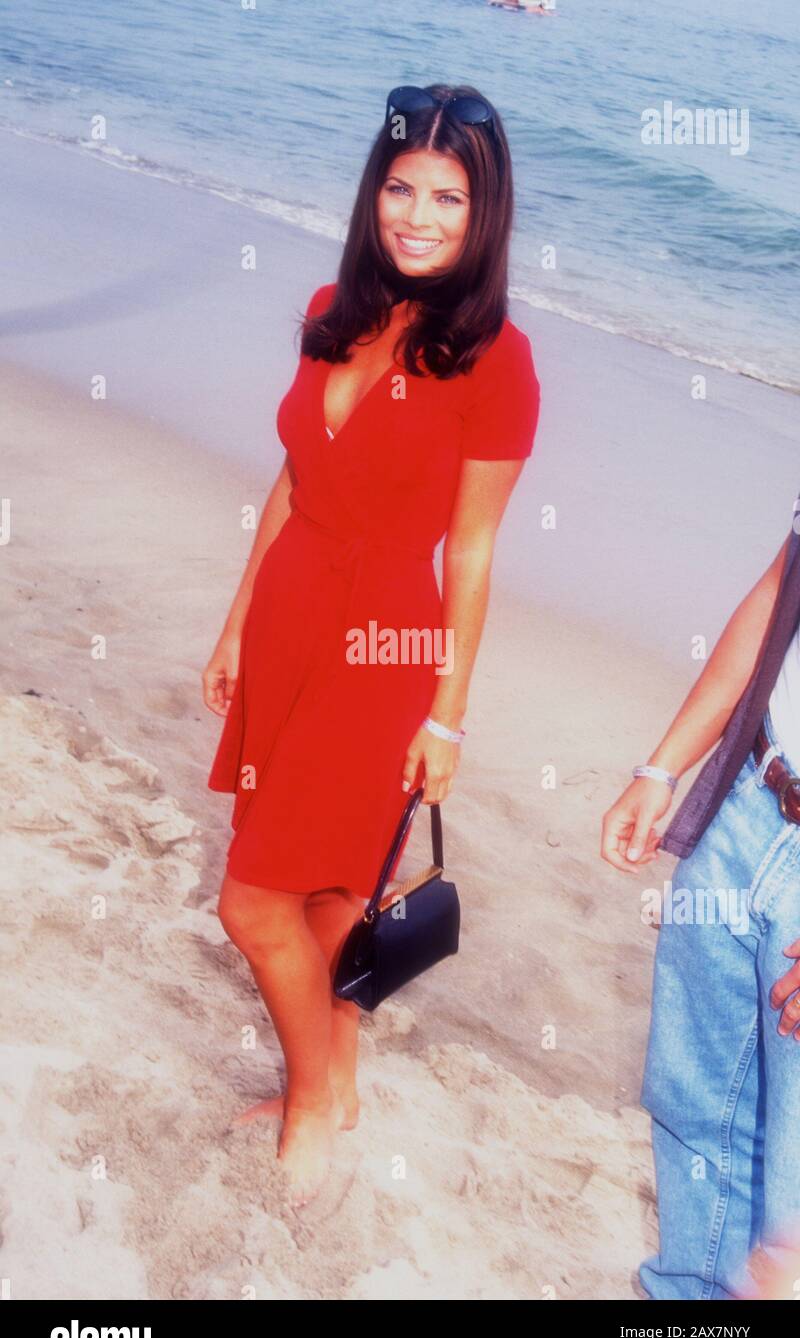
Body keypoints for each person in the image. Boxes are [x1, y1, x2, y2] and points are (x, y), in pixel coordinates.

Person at [203, 83, 541, 1206]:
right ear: (373, 190)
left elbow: (476, 554)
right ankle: (335, 1080)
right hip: (293, 612)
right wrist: (238, 620)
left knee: (253, 905)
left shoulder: (494, 360)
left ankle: (307, 1100)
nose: (419, 214)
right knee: (318, 889)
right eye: (401, 187)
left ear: (482, 211)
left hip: (386, 646)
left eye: (448, 195)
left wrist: (447, 714)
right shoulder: (331, 309)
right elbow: (293, 479)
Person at [601, 491, 800, 1298]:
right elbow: (782, 587)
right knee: (696, 1108)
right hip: (755, 795)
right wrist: (664, 766)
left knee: (793, 1194)